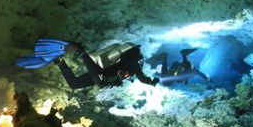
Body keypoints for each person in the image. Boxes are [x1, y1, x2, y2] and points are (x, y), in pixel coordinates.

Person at [17, 39, 158, 89]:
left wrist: (115, 81)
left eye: (126, 76)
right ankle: (81, 52)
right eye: (127, 75)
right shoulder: (135, 64)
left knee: (75, 84)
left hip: (101, 73)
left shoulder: (123, 75)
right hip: (101, 72)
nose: (125, 75)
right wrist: (150, 82)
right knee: (100, 82)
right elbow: (141, 76)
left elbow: (117, 77)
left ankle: (59, 61)